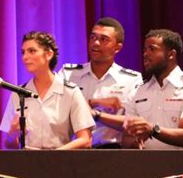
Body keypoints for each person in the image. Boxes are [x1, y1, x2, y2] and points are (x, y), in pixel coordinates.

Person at [97, 29, 183, 149]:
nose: (145, 54)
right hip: (147, 165)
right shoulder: (137, 91)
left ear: (171, 54)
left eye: (152, 49)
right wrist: (137, 142)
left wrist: (152, 129)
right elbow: (126, 140)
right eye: (144, 50)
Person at [0, 31, 94, 149]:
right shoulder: (18, 93)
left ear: (49, 54)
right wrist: (13, 135)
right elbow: (9, 144)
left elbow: (85, 140)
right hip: (27, 163)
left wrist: (53, 156)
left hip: (61, 162)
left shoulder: (70, 91)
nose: (25, 57)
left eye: (32, 51)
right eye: (23, 52)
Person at [59, 17, 142, 148]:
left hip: (112, 152)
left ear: (117, 47)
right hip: (74, 151)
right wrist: (95, 102)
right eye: (93, 37)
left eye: (104, 39)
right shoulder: (69, 74)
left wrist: (96, 114)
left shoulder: (131, 80)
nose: (96, 43)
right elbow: (59, 110)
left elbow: (132, 124)